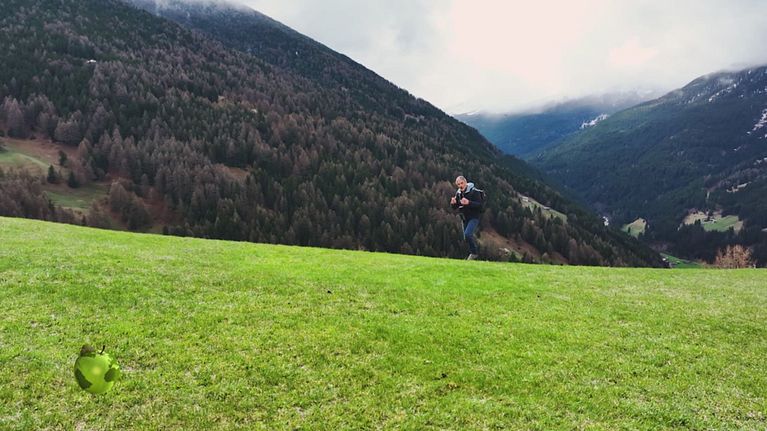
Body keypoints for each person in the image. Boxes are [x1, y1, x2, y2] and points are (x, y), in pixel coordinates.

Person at [450, 176, 483, 260]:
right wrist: (453, 203)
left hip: (474, 217)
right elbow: (456, 207)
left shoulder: (474, 192)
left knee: (468, 234)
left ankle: (474, 253)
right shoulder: (458, 193)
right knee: (466, 237)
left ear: (466, 182)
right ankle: (473, 253)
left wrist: (469, 203)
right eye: (458, 184)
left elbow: (480, 205)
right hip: (464, 218)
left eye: (462, 183)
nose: (460, 186)